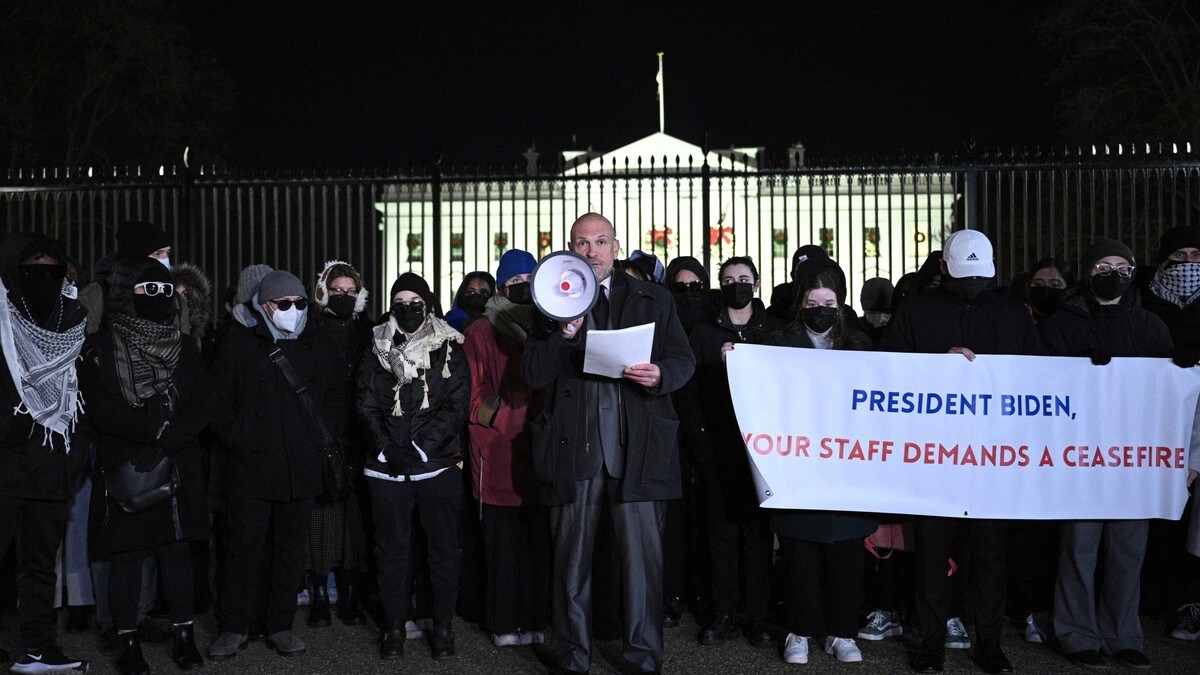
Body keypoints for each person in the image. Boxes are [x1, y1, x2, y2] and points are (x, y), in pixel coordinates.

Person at [522, 212, 695, 674]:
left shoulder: (653, 297)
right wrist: (563, 335)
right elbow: (533, 373)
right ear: (569, 247)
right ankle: (572, 655)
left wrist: (661, 375)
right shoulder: (550, 302)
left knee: (643, 563)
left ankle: (643, 658)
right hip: (574, 447)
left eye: (600, 241)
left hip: (637, 449)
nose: (591, 251)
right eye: (582, 242)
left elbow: (683, 358)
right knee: (570, 562)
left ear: (616, 247)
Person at [881, 229, 1041, 675]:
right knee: (933, 553)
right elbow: (887, 372)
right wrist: (937, 362)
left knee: (990, 555)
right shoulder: (915, 312)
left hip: (993, 457)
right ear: (945, 269)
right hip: (935, 456)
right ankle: (931, 642)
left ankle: (988, 642)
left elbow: (1040, 380)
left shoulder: (1013, 315)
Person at [1040, 239, 1172, 670]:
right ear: (1087, 270)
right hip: (1080, 457)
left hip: (1135, 459)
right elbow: (1041, 388)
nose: (1112, 272)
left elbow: (1170, 398)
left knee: (1127, 549)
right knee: (1079, 546)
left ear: (1133, 272)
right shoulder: (1062, 324)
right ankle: (1076, 635)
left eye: (1121, 265)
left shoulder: (1152, 326)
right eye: (1102, 265)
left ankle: (1123, 635)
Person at [79, 257, 214, 674]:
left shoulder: (185, 345)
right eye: (148, 290)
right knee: (127, 557)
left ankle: (184, 637)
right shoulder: (103, 343)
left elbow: (202, 403)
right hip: (127, 464)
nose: (159, 298)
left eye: (166, 290)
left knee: (176, 554)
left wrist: (167, 440)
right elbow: (98, 406)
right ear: (129, 295)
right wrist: (149, 434)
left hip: (175, 461)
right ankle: (128, 644)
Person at [208, 270, 349, 660]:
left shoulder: (317, 344)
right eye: (283, 304)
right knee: (242, 550)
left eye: (300, 303)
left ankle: (280, 625)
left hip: (299, 467)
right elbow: (217, 402)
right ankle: (234, 627)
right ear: (265, 306)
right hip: (249, 469)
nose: (293, 311)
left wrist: (321, 437)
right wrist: (238, 438)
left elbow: (337, 397)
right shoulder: (239, 344)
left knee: (289, 551)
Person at [358, 272, 469, 660]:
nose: (407, 309)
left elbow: (456, 405)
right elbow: (366, 403)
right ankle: (393, 627)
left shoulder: (450, 346)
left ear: (428, 304)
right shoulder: (375, 346)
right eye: (399, 302)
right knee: (391, 551)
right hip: (387, 468)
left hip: (435, 466)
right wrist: (387, 448)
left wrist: (421, 448)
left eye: (414, 302)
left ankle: (442, 626)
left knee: (441, 550)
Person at [769, 267, 876, 665]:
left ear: (840, 304)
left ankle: (842, 632)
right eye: (812, 304)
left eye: (828, 304)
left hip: (847, 466)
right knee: (800, 551)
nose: (820, 310)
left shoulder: (860, 344)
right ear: (800, 304)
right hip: (798, 465)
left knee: (847, 551)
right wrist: (740, 359)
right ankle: (799, 630)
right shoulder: (778, 342)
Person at [680, 256, 785, 649]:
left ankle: (756, 616)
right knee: (720, 535)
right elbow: (689, 392)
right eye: (728, 279)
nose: (737, 285)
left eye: (744, 278)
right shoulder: (704, 333)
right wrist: (701, 441)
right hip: (718, 449)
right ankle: (724, 611)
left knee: (758, 537)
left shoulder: (773, 329)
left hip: (764, 452)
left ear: (756, 283)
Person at [0, 232, 91, 674]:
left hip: (52, 465)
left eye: (51, 272)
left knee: (39, 567)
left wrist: (75, 459)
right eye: (32, 271)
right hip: (5, 464)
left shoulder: (73, 317)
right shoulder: (2, 317)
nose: (43, 279)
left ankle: (37, 649)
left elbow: (83, 394)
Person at [463, 249, 550, 647]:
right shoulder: (482, 330)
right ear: (502, 287)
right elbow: (472, 390)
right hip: (498, 450)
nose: (524, 290)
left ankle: (534, 620)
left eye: (530, 282)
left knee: (536, 542)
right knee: (502, 544)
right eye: (515, 284)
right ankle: (502, 622)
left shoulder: (549, 323)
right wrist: (499, 417)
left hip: (539, 444)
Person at [301, 261, 372, 629]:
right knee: (320, 518)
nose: (343, 296)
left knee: (353, 521)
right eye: (337, 289)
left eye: (350, 291)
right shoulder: (307, 329)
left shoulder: (369, 331)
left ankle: (348, 596)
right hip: (320, 434)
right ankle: (317, 597)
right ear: (323, 290)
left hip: (358, 438)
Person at [1139, 226, 1200, 640]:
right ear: (1164, 259)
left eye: (1197, 255)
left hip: (1197, 430)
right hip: (1151, 429)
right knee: (1161, 522)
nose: (1190, 264)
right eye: (1181, 255)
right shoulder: (1142, 304)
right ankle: (1165, 600)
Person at [1024, 258, 1070, 322]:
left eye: (1055, 285)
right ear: (1028, 287)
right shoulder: (1016, 319)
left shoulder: (1078, 323)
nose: (1046, 290)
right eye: (1038, 284)